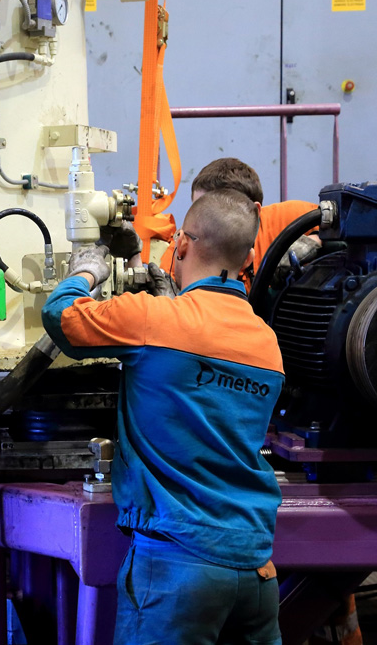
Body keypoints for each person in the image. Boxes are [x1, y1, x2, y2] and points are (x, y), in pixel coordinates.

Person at [43, 189, 285, 644]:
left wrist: (84, 273)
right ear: (249, 256)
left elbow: (62, 318)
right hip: (256, 570)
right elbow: (207, 391)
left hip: (178, 568)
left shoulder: (154, 320)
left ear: (183, 246)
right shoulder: (266, 342)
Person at [158, 157, 319, 292]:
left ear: (255, 212)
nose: (201, 222)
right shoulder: (181, 249)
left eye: (213, 212)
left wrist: (315, 240)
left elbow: (339, 217)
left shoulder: (287, 221)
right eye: (197, 209)